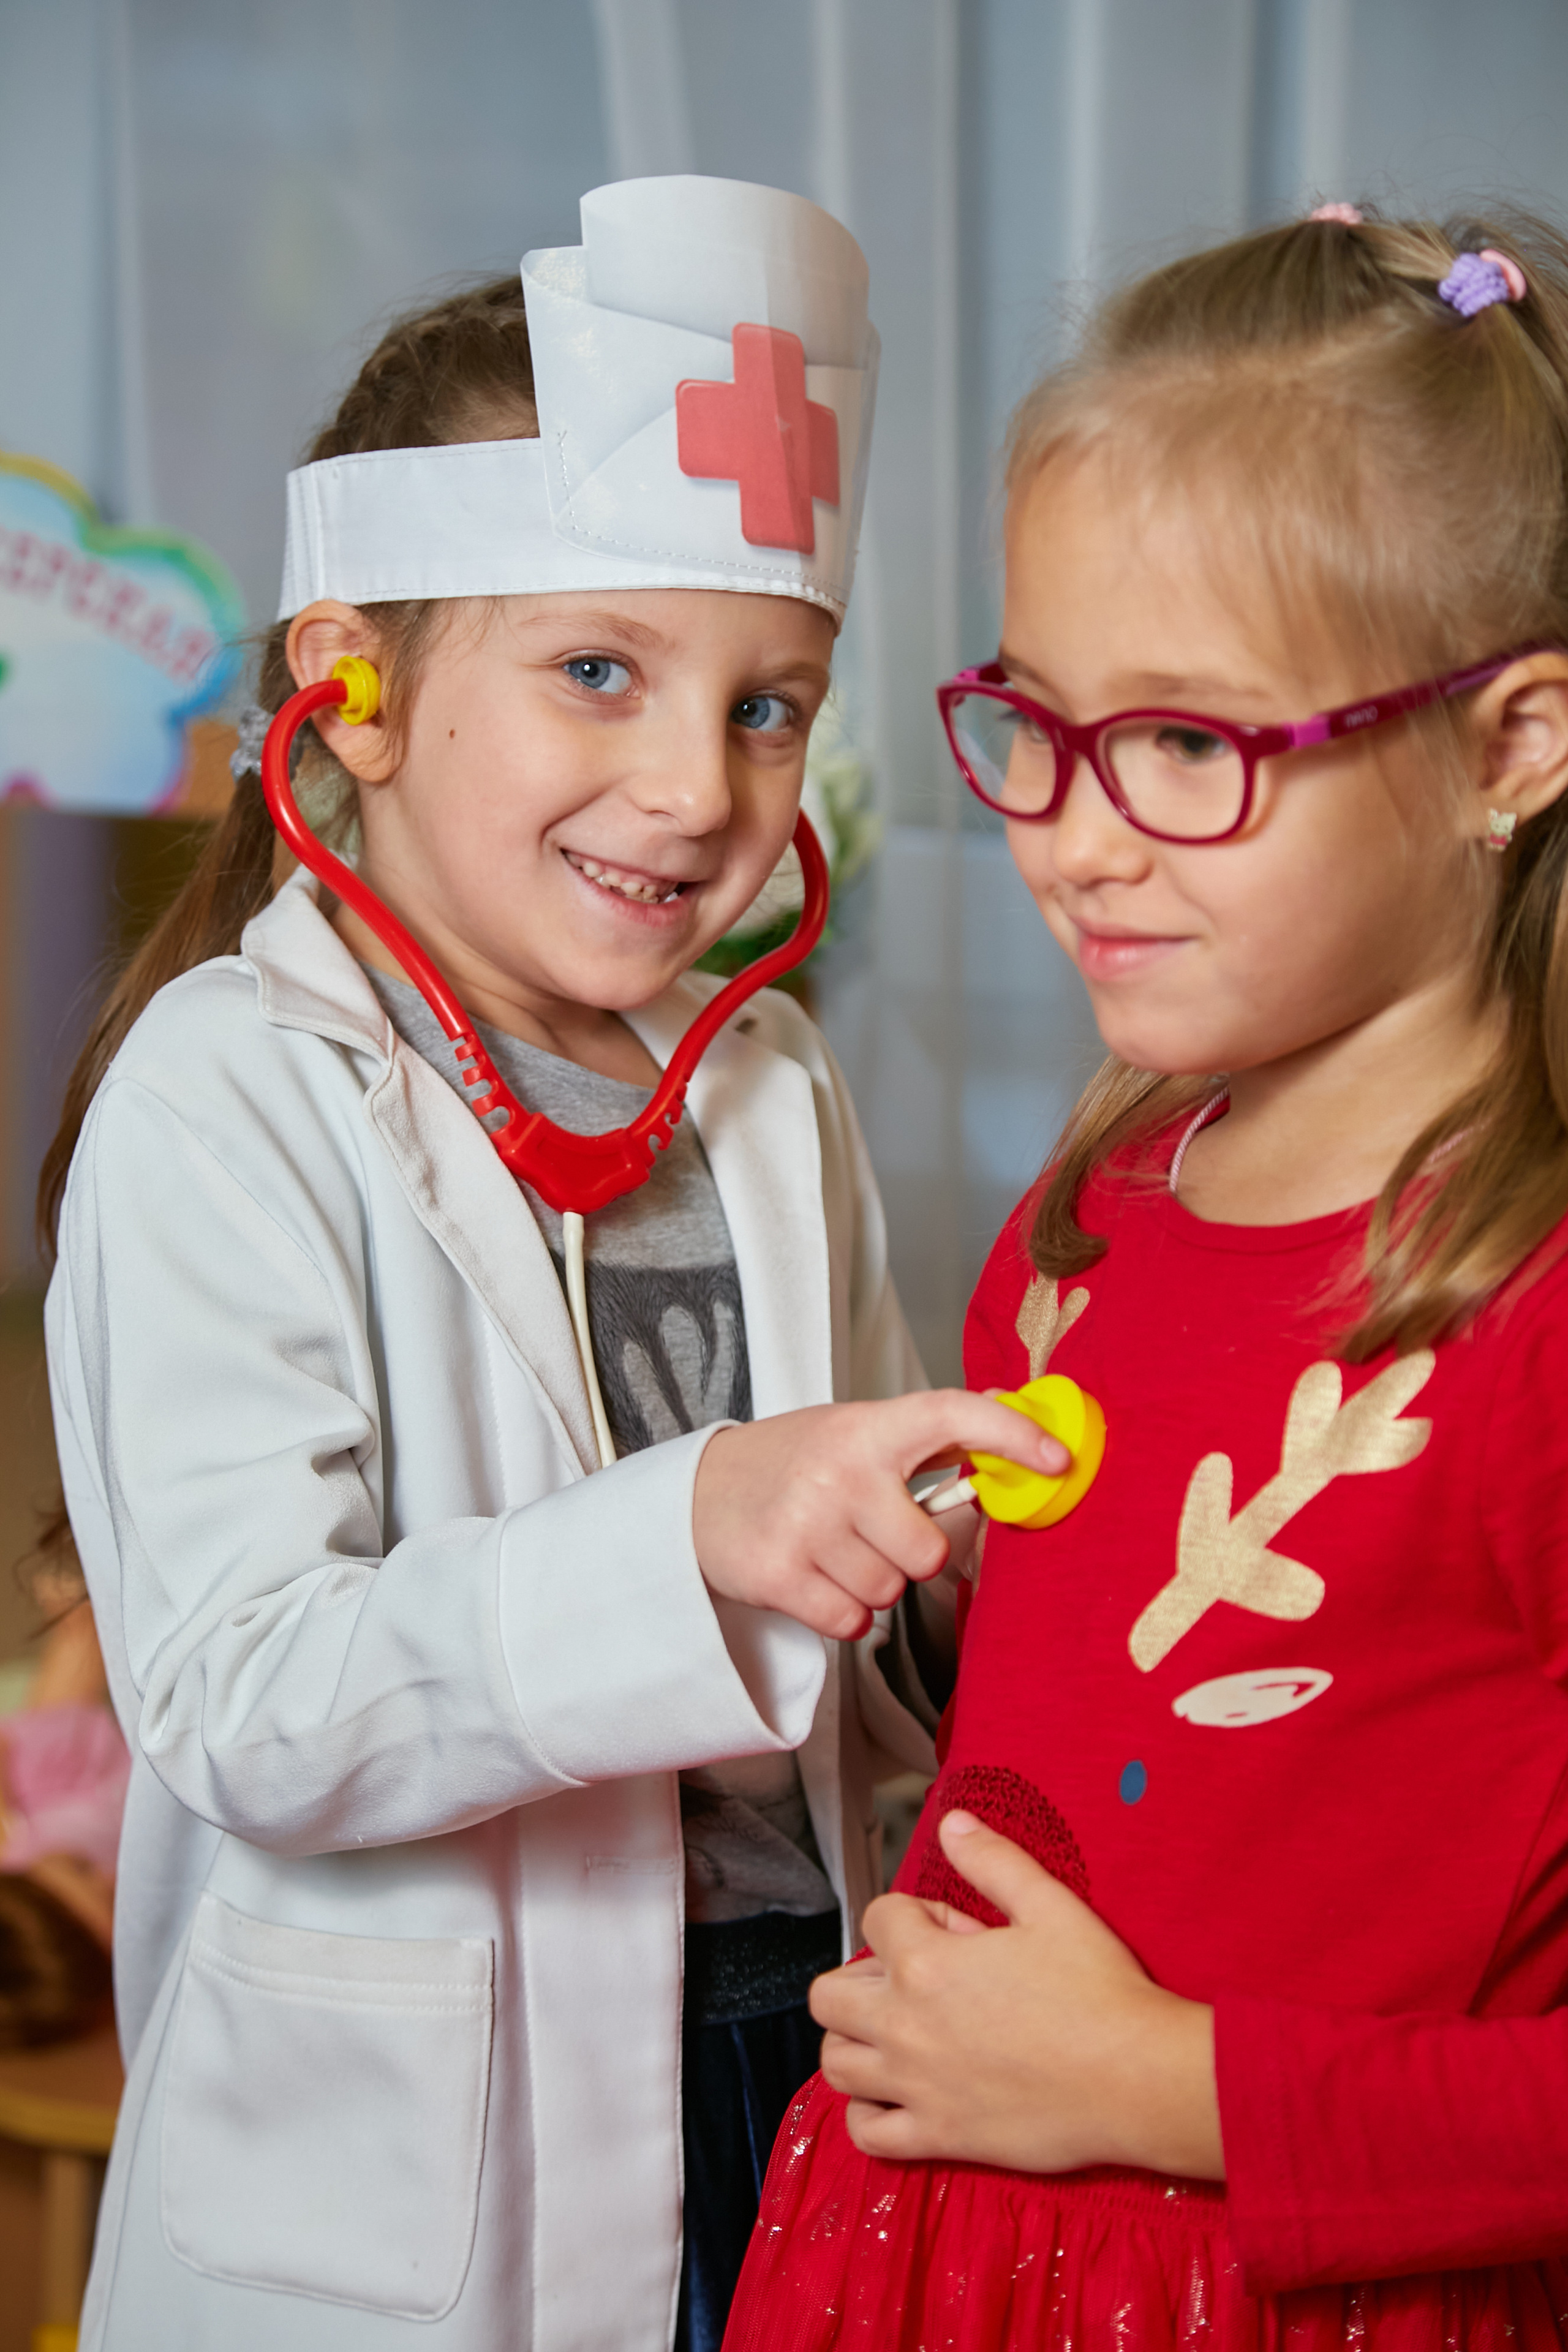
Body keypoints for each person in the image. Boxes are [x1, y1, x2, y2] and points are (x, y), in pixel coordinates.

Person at [39, 178, 1057, 2352]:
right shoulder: (235, 1087)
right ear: (359, 687)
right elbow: (241, 1694)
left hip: (799, 2042)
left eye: (768, 707)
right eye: (598, 672)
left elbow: (837, 1661)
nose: (695, 786)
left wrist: (949, 1588)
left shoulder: (766, 1086)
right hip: (425, 2157)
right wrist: (689, 1532)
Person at [723, 204, 1568, 2350]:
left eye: (1193, 746)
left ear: (1510, 747)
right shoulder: (1088, 1219)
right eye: (1038, 720)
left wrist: (1160, 2087)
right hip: (931, 2260)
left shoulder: (1535, 1316)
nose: (1072, 837)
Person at [0, 1507, 125, 2046]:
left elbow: (80, 1639)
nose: (113, 1879)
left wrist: (84, 1619)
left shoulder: (30, 1813)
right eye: (116, 1911)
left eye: (79, 1866)